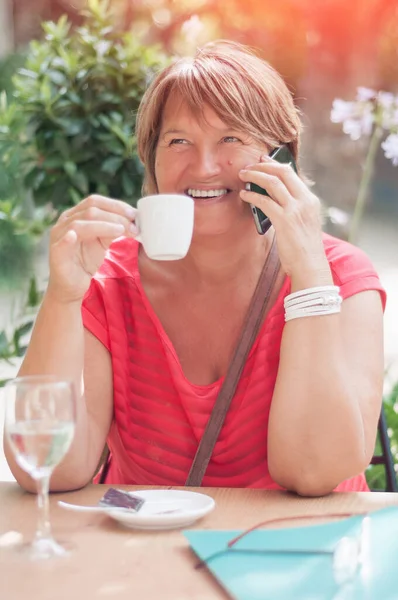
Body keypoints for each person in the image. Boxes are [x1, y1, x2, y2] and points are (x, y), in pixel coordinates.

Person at [4, 41, 385, 496]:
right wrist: (63, 296)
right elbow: (52, 471)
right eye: (178, 141)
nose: (203, 166)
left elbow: (313, 473)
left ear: (280, 157)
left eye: (231, 138)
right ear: (153, 161)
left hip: (300, 554)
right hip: (147, 560)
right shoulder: (108, 280)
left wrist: (308, 278)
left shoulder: (339, 278)